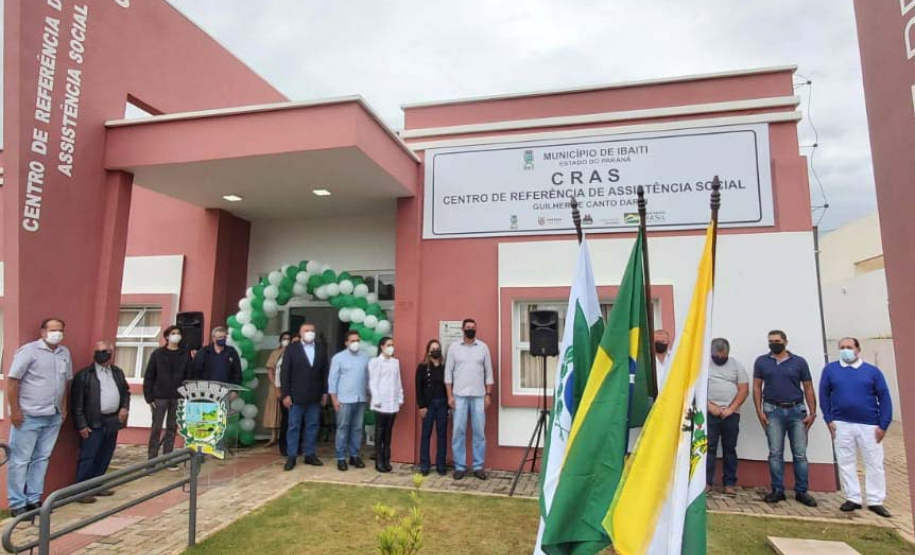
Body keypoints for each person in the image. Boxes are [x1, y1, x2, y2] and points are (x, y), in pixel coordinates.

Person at [6, 318, 72, 518]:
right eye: (52, 330)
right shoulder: (29, 351)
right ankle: (17, 503)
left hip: (53, 416)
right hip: (29, 415)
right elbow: (12, 381)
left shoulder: (64, 353)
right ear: (43, 332)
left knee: (41, 459)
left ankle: (34, 500)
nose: (56, 333)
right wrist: (15, 410)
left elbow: (65, 383)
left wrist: (63, 408)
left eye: (60, 330)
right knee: (20, 460)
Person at [820, 337, 893, 518]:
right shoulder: (831, 370)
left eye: (849, 347)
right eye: (842, 348)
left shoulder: (872, 372)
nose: (846, 350)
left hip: (869, 424)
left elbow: (884, 398)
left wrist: (883, 424)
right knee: (846, 461)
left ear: (858, 350)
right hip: (841, 424)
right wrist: (828, 419)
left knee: (874, 463)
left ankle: (875, 500)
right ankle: (853, 497)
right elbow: (824, 395)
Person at [753, 330, 818, 507]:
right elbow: (757, 387)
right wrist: (759, 411)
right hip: (772, 410)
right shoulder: (762, 362)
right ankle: (777, 490)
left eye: (777, 340)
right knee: (775, 453)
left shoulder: (799, 362)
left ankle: (802, 491)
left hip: (796, 411)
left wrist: (812, 412)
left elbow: (808, 388)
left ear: (785, 342)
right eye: (771, 341)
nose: (774, 343)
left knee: (800, 454)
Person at [71, 340, 130, 503]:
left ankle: (97, 484)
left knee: (105, 454)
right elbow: (77, 403)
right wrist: (81, 424)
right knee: (88, 456)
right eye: (98, 351)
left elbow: (126, 392)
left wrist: (124, 407)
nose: (101, 354)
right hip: (93, 422)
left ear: (111, 354)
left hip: (112, 420)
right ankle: (80, 490)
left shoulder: (117, 372)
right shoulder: (85, 375)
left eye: (105, 351)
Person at [445, 318, 494, 480]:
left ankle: (478, 466)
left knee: (479, 433)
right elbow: (448, 374)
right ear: (462, 329)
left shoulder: (483, 347)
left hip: (479, 395)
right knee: (458, 432)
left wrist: (488, 394)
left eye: (473, 327)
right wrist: (449, 396)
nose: (470, 330)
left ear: (476, 329)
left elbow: (489, 373)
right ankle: (460, 466)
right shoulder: (453, 348)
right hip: (459, 396)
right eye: (467, 327)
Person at [281, 322, 329, 471]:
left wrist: (324, 392)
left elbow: (324, 373)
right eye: (307, 330)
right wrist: (286, 394)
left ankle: (310, 454)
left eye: (312, 330)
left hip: (315, 395)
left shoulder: (321, 349)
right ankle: (291, 456)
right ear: (300, 333)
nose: (310, 333)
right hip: (296, 396)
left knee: (312, 426)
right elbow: (285, 373)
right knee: (294, 426)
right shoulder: (292, 349)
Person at [706, 338, 749, 495]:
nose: (720, 358)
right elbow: (696, 388)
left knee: (729, 448)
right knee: (708, 447)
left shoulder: (736, 366)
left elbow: (743, 389)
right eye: (717, 355)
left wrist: (731, 408)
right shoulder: (703, 365)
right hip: (710, 413)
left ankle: (729, 483)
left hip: (731, 414)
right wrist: (709, 406)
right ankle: (706, 482)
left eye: (723, 355)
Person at [144, 325, 192, 462]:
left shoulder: (185, 354)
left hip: (177, 396)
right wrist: (149, 397)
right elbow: (149, 376)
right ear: (167, 336)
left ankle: (168, 457)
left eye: (178, 333)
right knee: (156, 428)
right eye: (173, 333)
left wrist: (186, 394)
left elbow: (188, 375)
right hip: (159, 396)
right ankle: (152, 459)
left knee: (172, 428)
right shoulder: (157, 354)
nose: (176, 335)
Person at [329, 330, 370, 471]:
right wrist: (334, 398)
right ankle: (341, 457)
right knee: (342, 428)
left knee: (357, 428)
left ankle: (354, 455)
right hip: (344, 399)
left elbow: (367, 377)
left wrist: (369, 393)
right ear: (346, 342)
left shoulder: (365, 357)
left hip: (360, 398)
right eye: (352, 341)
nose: (355, 343)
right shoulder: (338, 358)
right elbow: (332, 380)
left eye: (357, 340)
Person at [369, 337, 404, 473]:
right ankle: (379, 460)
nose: (391, 347)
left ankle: (387, 459)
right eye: (388, 345)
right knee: (380, 431)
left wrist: (400, 397)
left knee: (388, 432)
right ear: (382, 347)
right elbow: (373, 382)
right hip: (381, 402)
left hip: (392, 402)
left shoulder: (395, 362)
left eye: (392, 345)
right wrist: (377, 398)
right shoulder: (375, 362)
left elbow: (398, 380)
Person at [416, 339, 448, 476]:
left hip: (442, 404)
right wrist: (421, 406)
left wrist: (448, 405)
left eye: (438, 348)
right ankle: (425, 465)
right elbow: (418, 387)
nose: (435, 350)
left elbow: (448, 386)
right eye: (433, 348)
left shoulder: (444, 367)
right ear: (428, 351)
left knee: (442, 434)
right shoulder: (422, 367)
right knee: (426, 434)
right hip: (428, 405)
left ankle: (441, 464)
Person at [265, 332, 292, 448]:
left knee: (286, 413)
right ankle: (273, 437)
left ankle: (284, 437)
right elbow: (270, 370)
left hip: (288, 386)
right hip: (275, 385)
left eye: (288, 339)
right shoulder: (275, 353)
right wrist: (275, 384)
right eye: (284, 338)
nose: (286, 340)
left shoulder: (293, 352)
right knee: (274, 410)